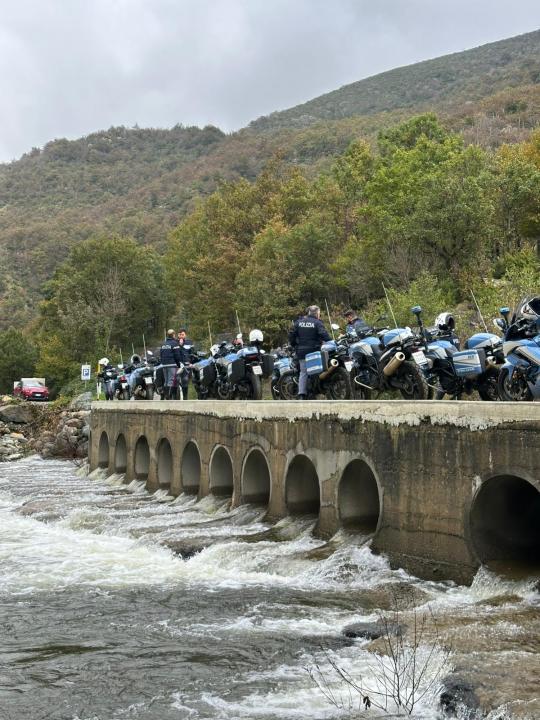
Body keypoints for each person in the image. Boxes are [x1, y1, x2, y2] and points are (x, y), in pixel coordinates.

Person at [288, 305, 330, 400]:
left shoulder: (299, 322)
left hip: (301, 351)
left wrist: (294, 345)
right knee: (317, 371)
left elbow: (291, 335)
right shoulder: (317, 323)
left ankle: (302, 394)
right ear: (317, 313)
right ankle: (316, 392)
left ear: (309, 313)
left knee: (303, 372)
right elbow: (324, 334)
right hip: (314, 351)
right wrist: (331, 341)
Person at [159, 330, 182, 400]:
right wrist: (179, 365)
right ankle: (168, 398)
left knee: (166, 381)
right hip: (172, 364)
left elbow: (161, 355)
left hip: (164, 365)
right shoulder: (174, 343)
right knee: (171, 381)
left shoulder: (163, 344)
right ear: (173, 335)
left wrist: (163, 363)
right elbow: (177, 356)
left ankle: (166, 396)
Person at [177, 328, 194, 399]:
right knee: (180, 381)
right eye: (180, 334)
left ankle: (186, 397)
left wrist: (191, 362)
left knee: (186, 381)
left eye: (182, 334)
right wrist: (180, 344)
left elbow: (192, 353)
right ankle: (181, 397)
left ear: (185, 335)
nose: (181, 336)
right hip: (179, 365)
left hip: (188, 365)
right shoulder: (175, 342)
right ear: (178, 335)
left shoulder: (189, 342)